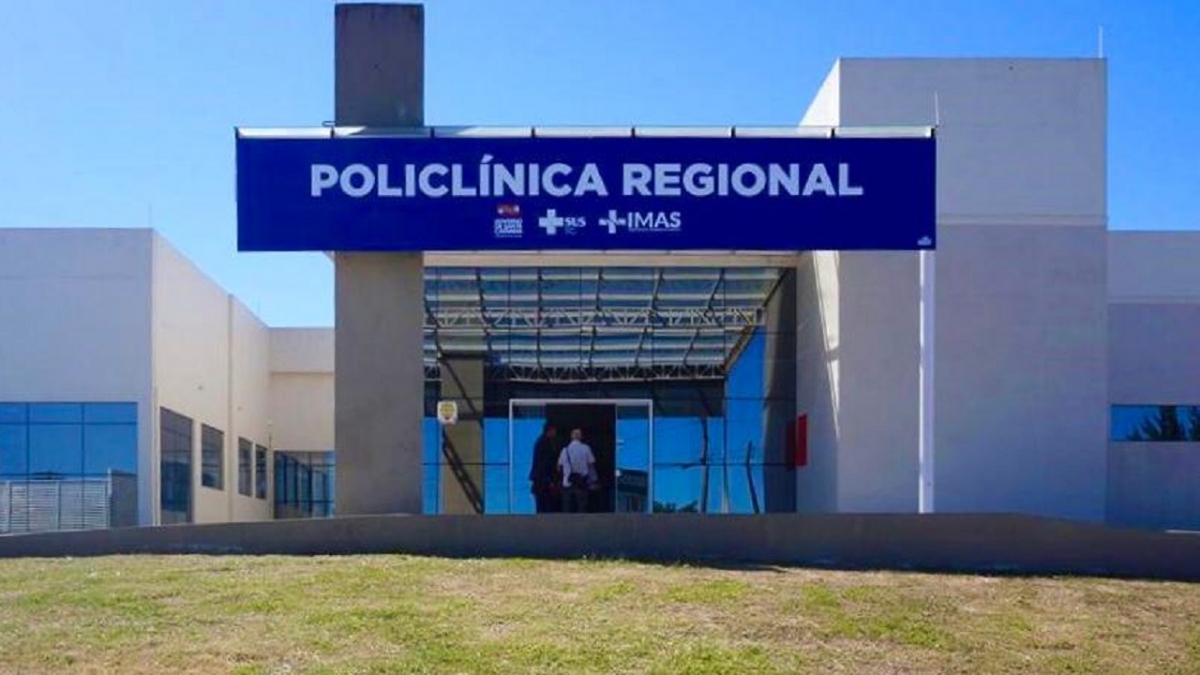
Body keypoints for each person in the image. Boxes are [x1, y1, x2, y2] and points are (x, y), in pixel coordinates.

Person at [558, 428, 596, 513]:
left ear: (571, 437)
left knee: (567, 508)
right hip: (582, 481)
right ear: (581, 437)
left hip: (568, 482)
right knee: (582, 507)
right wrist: (593, 480)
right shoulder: (586, 448)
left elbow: (559, 466)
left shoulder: (565, 450)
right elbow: (591, 465)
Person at [529, 423, 559, 513]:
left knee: (542, 504)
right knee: (544, 504)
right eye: (554, 431)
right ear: (549, 431)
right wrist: (548, 479)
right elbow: (544, 463)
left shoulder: (542, 441)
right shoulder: (544, 443)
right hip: (542, 479)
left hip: (540, 478)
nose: (555, 433)